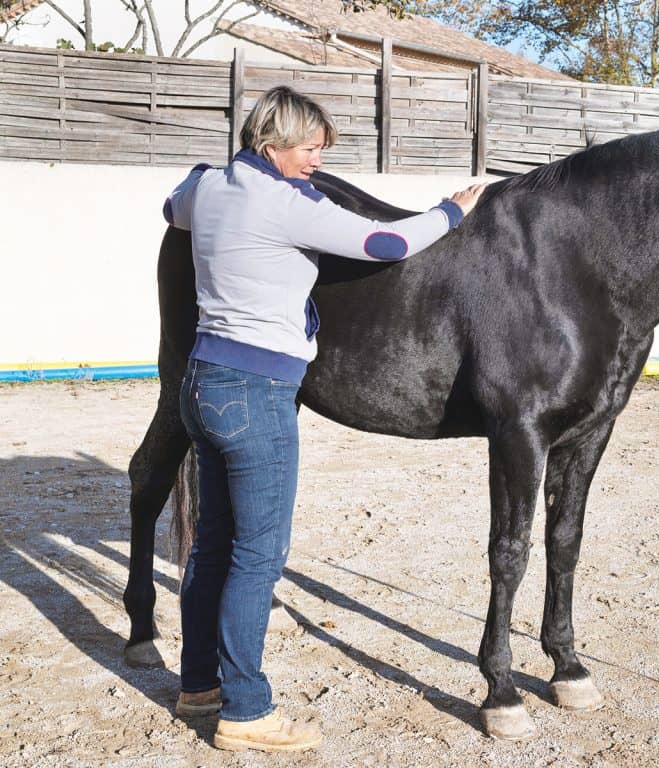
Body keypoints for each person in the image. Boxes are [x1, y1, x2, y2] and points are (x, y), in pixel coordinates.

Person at [162, 85, 485, 753]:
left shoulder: (211, 188)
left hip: (204, 383)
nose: (317, 161)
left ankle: (199, 685)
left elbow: (173, 204)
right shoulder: (286, 205)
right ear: (274, 144)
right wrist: (452, 211)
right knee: (257, 557)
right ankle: (247, 711)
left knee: (216, 540)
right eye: (310, 149)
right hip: (257, 391)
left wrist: (202, 177)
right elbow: (388, 242)